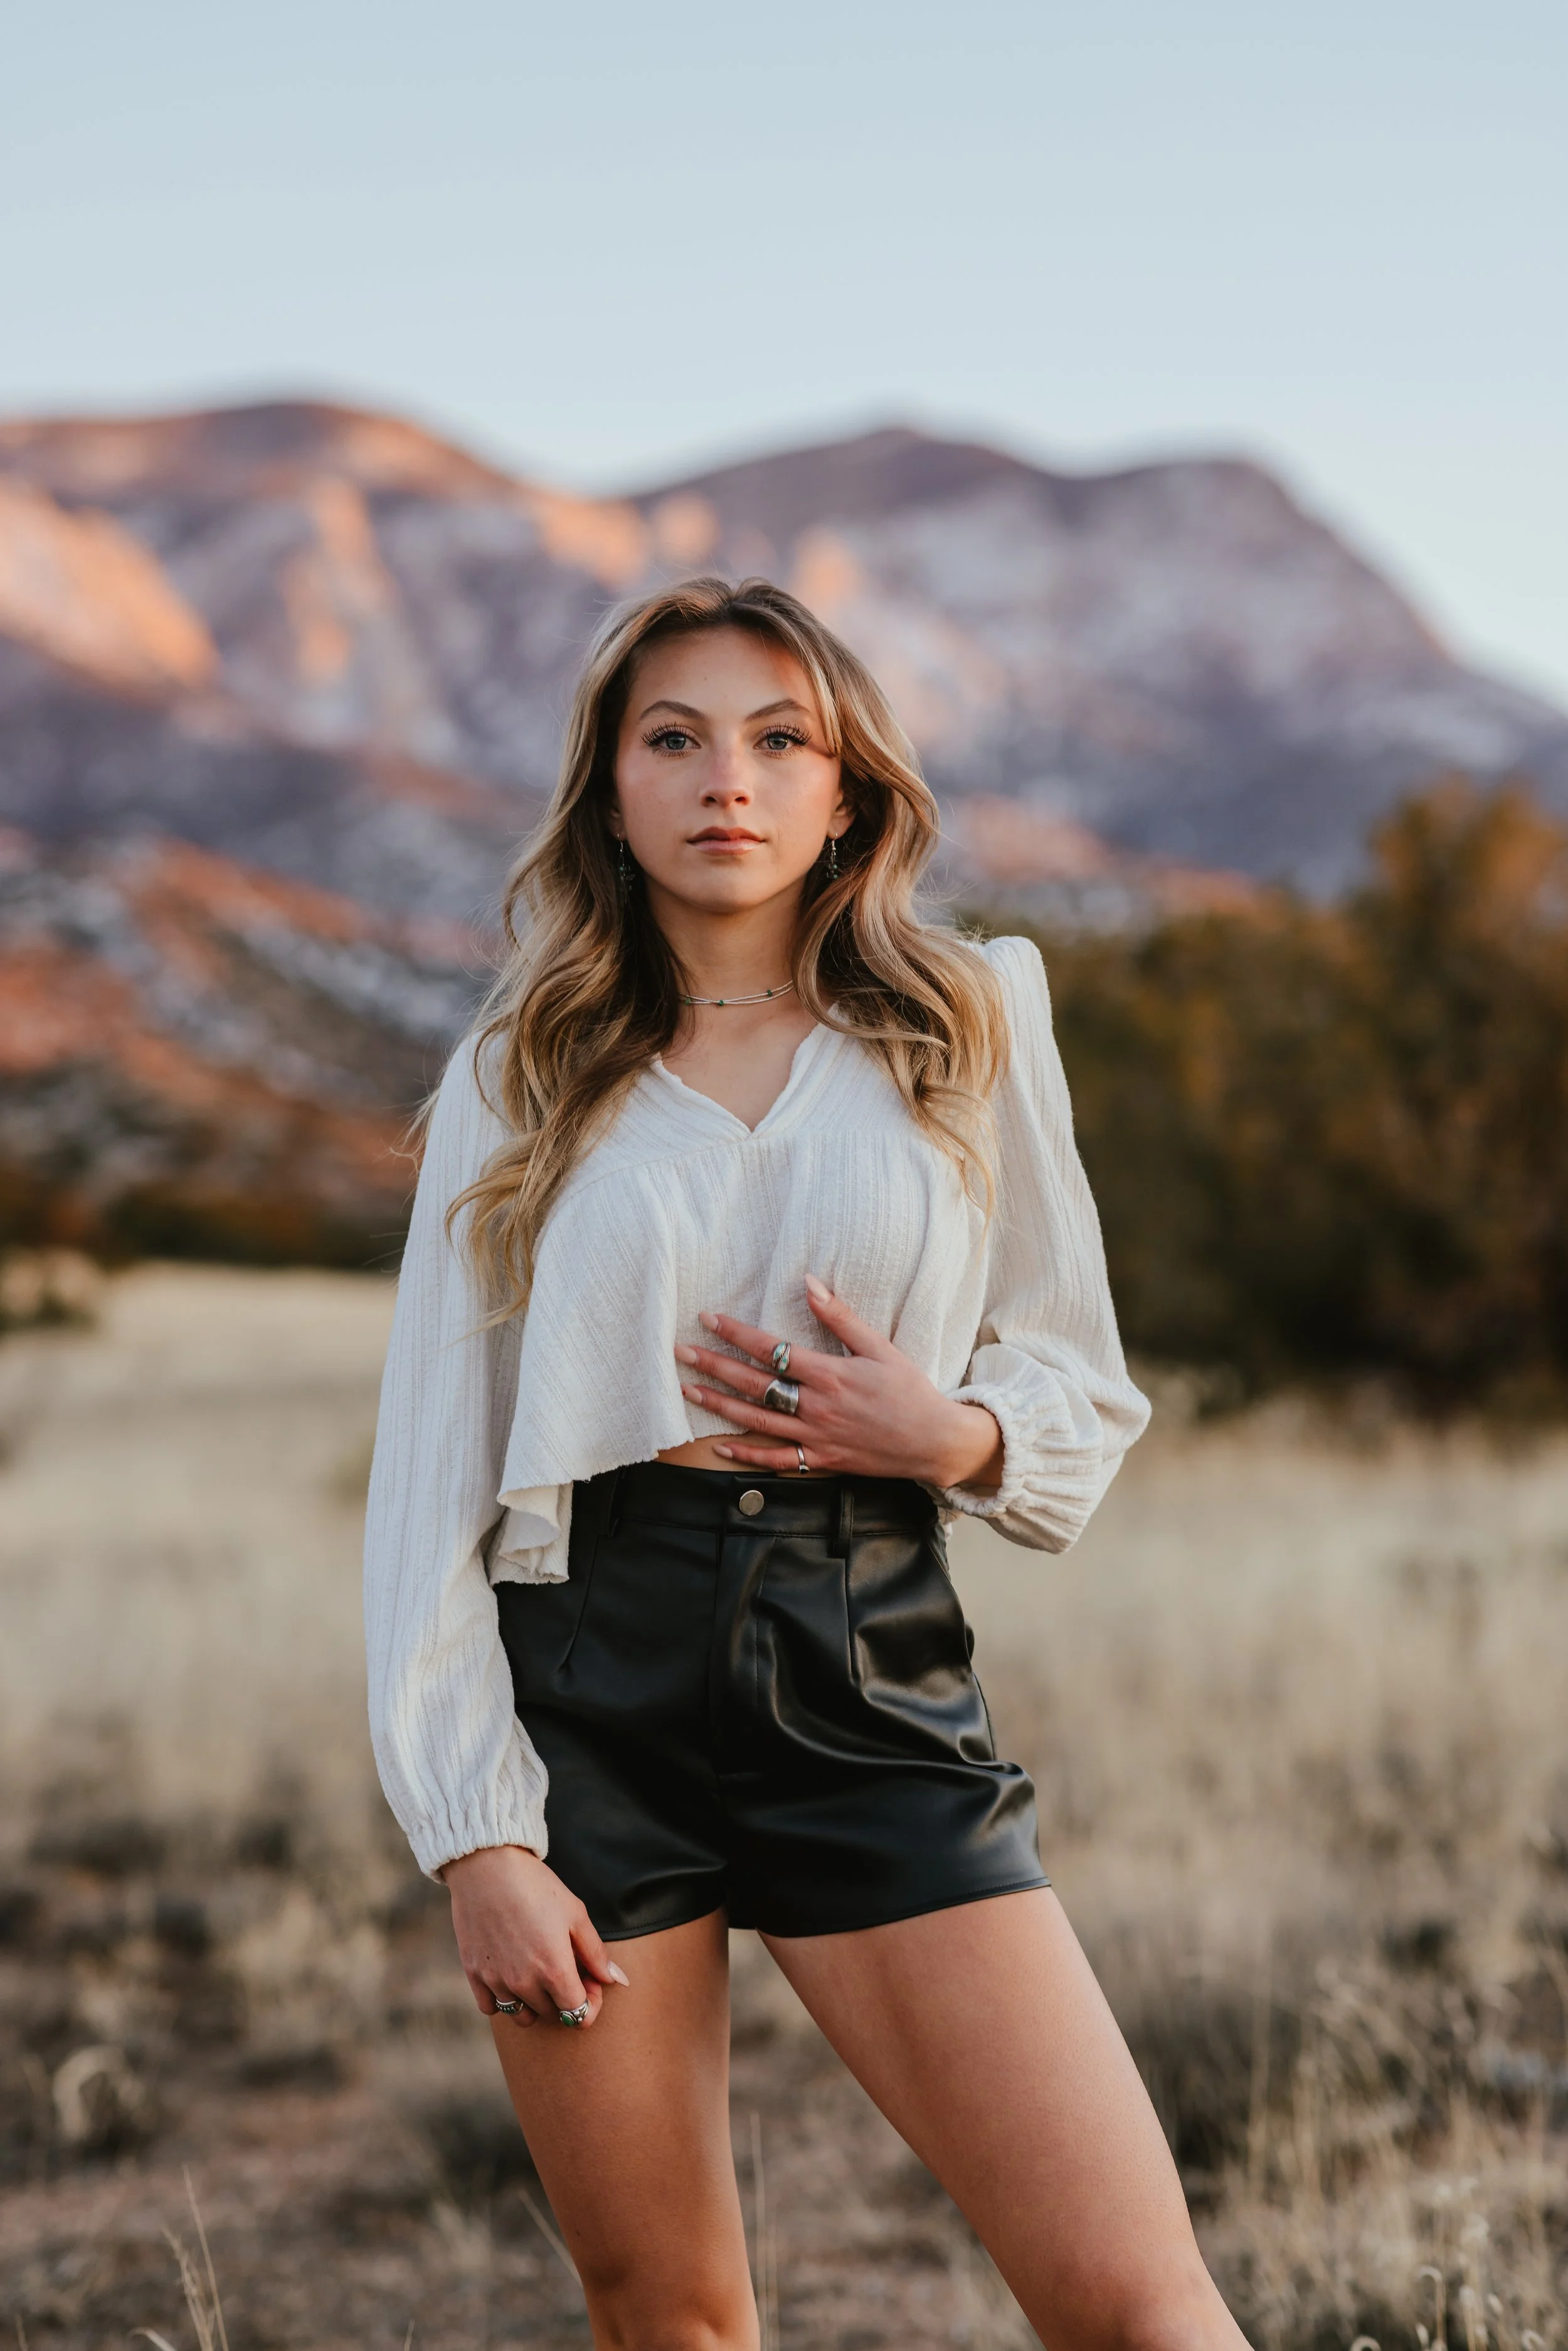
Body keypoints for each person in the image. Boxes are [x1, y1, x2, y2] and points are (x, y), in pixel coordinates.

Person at [364, 576, 1248, 2351]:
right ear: (608, 788)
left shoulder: (966, 1023)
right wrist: (477, 1840)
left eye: (782, 740)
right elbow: (427, 1483)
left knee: (1134, 2301)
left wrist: (959, 1436)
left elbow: (1071, 1364)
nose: (728, 780)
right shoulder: (517, 1073)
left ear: (848, 791)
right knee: (672, 2317)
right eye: (672, 739)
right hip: (586, 1695)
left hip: (864, 1665)